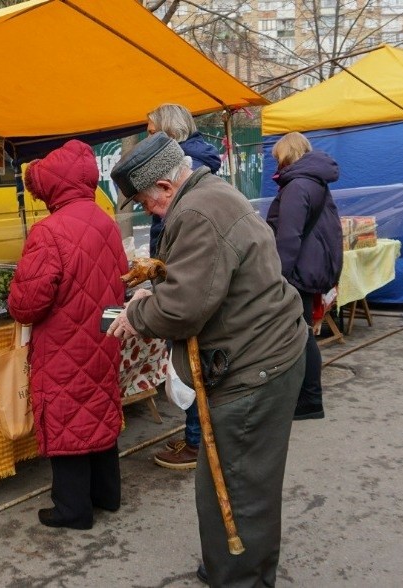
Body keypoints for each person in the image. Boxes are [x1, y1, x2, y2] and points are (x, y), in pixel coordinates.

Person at [107, 132, 308, 587]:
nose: (148, 210)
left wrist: (140, 309)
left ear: (163, 186)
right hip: (261, 354)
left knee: (239, 484)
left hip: (253, 365)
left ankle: (241, 576)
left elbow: (182, 308)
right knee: (238, 480)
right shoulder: (210, 193)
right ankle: (230, 564)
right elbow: (202, 281)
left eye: (146, 201)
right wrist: (157, 288)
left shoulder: (197, 211)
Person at [7, 139, 128, 530]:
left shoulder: (49, 231)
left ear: (53, 187)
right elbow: (121, 278)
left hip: (64, 342)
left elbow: (26, 305)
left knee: (68, 414)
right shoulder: (105, 221)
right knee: (98, 406)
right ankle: (107, 495)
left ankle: (73, 510)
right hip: (105, 332)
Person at [146, 103, 222, 470]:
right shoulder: (202, 166)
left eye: (150, 131)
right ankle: (200, 435)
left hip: (180, 275)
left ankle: (197, 441)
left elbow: (183, 302)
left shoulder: (182, 175)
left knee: (190, 358)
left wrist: (156, 287)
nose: (147, 138)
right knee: (194, 360)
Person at [265, 132, 343, 420]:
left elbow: (289, 237)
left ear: (286, 156)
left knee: (301, 334)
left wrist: (278, 277)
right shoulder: (314, 180)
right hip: (310, 267)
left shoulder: (298, 185)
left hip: (298, 271)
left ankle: (309, 400)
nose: (277, 164)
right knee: (303, 332)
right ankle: (307, 397)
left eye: (278, 159)